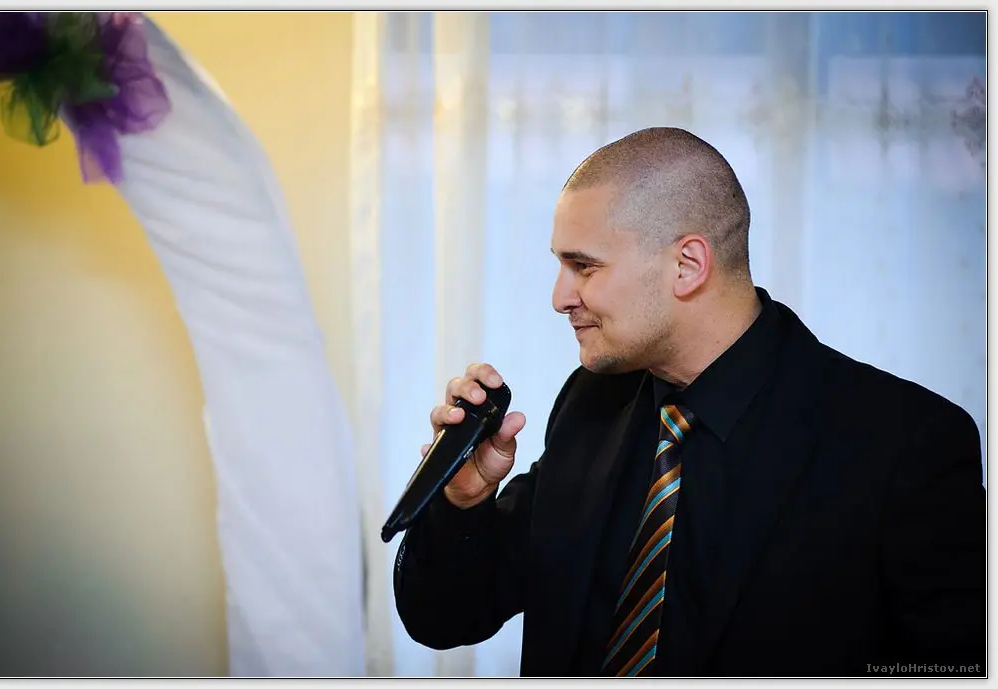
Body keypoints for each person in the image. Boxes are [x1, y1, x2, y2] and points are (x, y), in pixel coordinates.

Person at [391, 127, 986, 677]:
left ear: (687, 265)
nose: (559, 297)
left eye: (584, 267)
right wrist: (462, 500)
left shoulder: (906, 445)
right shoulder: (590, 405)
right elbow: (445, 617)